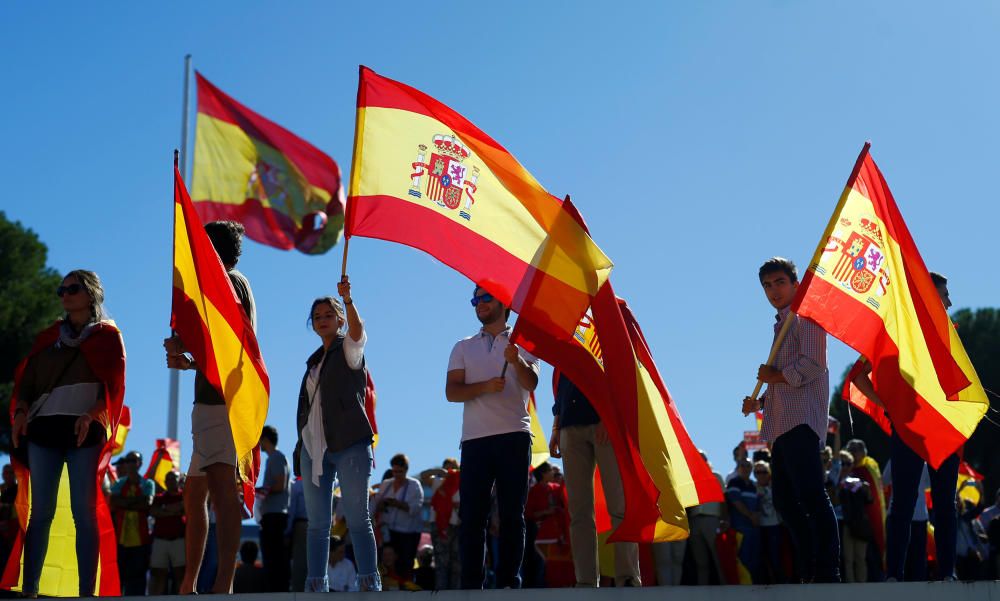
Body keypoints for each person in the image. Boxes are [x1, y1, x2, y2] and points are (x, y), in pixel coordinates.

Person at [9, 269, 126, 598]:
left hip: (84, 434)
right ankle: (29, 591)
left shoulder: (107, 337)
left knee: (83, 513)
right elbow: (27, 385)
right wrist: (19, 414)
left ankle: (86, 594)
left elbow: (114, 389)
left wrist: (92, 414)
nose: (64, 295)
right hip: (44, 430)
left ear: (90, 294)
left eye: (72, 289)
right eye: (61, 290)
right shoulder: (48, 338)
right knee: (41, 511)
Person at [163, 221, 259, 595]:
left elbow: (226, 340)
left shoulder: (228, 283)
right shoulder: (231, 283)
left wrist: (185, 348)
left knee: (221, 490)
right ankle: (192, 582)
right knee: (196, 493)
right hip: (211, 400)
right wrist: (187, 357)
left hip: (221, 402)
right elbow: (218, 345)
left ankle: (223, 582)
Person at [851, 272, 964, 581]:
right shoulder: (895, 333)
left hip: (943, 429)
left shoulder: (949, 335)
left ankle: (947, 574)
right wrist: (890, 406)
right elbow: (858, 375)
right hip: (909, 429)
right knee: (902, 502)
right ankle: (894, 576)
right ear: (927, 297)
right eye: (944, 295)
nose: (950, 302)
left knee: (944, 503)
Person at [743, 258, 840, 582]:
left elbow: (814, 365)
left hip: (801, 422)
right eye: (767, 286)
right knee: (785, 500)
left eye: (780, 282)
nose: (773, 290)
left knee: (811, 494)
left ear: (795, 284)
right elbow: (786, 381)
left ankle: (827, 569)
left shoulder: (806, 317)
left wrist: (775, 376)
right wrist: (760, 399)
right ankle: (810, 565)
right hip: (782, 424)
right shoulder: (782, 323)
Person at [446, 285, 540, 589]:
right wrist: (485, 386)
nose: (479, 302)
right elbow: (452, 392)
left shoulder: (523, 341)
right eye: (475, 298)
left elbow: (532, 381)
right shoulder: (462, 346)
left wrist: (516, 361)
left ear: (503, 301)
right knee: (473, 517)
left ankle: (509, 583)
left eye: (486, 296)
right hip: (475, 440)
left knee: (513, 515)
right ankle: (471, 585)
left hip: (515, 436)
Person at [293, 277, 380, 592]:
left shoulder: (349, 347)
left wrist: (349, 300)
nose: (322, 320)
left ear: (339, 318)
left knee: (358, 520)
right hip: (314, 451)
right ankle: (316, 585)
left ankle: (369, 584)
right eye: (317, 317)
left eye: (328, 315)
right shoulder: (313, 362)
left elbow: (358, 333)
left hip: (350, 444)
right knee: (317, 526)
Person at [549, 373, 641, 587]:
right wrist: (556, 426)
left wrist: (608, 416)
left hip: (604, 423)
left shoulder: (606, 339)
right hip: (569, 427)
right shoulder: (564, 342)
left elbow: (619, 375)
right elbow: (561, 386)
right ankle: (585, 581)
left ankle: (627, 576)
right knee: (579, 512)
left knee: (619, 505)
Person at [372, 453, 424, 582]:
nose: (397, 475)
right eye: (394, 471)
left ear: (406, 470)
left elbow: (415, 509)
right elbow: (375, 505)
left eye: (400, 472)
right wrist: (383, 505)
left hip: (408, 533)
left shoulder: (414, 485)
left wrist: (397, 504)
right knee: (386, 563)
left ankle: (406, 589)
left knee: (405, 564)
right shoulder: (386, 484)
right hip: (388, 531)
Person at [110, 450, 154, 595]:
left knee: (138, 577)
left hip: (141, 539)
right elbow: (114, 502)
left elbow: (147, 504)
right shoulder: (118, 483)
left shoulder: (148, 483)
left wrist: (125, 503)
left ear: (139, 463)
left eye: (132, 461)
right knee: (119, 576)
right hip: (120, 538)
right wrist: (137, 501)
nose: (129, 464)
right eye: (127, 461)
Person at [883, 460, 931, 581]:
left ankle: (895, 580)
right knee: (917, 559)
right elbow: (929, 484)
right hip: (918, 515)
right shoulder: (924, 463)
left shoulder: (895, 459)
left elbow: (884, 480)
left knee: (898, 554)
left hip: (900, 513)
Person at [257, 424, 290, 591]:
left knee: (274, 557)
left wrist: (258, 491)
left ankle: (277, 591)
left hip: (275, 517)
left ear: (265, 439)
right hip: (272, 516)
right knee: (272, 557)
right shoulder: (274, 458)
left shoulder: (276, 457)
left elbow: (280, 485)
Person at [686, 451, 727, 585]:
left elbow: (723, 500)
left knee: (718, 557)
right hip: (694, 521)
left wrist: (724, 519)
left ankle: (725, 586)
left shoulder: (716, 476)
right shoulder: (690, 479)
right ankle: (702, 588)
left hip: (712, 519)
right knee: (700, 559)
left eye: (702, 458)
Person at [421, 458, 461, 590]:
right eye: (448, 468)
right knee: (441, 562)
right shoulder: (438, 482)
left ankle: (455, 593)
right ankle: (441, 592)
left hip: (457, 525)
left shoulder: (461, 481)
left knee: (457, 562)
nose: (451, 471)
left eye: (453, 468)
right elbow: (423, 476)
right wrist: (439, 471)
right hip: (439, 526)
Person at [148, 470, 186, 595]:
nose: (171, 481)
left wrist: (164, 510)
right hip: (160, 540)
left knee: (180, 573)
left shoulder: (185, 496)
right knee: (158, 573)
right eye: (168, 479)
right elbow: (154, 512)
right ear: (165, 482)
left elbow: (185, 508)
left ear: (178, 480)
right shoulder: (159, 497)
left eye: (173, 478)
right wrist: (175, 511)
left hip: (179, 540)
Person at [725, 459, 761, 582]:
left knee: (754, 558)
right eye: (742, 465)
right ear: (738, 468)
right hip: (740, 528)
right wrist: (751, 516)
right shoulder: (734, 482)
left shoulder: (754, 485)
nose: (745, 468)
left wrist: (756, 516)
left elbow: (759, 504)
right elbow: (736, 502)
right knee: (742, 558)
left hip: (754, 528)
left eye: (748, 466)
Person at [755, 461, 785, 583]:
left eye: (764, 472)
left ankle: (780, 584)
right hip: (758, 527)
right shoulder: (752, 487)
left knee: (775, 558)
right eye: (758, 472)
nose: (761, 475)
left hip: (774, 526)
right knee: (760, 558)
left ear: (770, 474)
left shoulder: (777, 488)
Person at [285, 476, 308, 591]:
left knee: (299, 562)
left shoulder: (296, 485)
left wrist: (287, 532)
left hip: (301, 526)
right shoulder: (322, 482)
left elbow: (292, 509)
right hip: (320, 526)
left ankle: (299, 592)